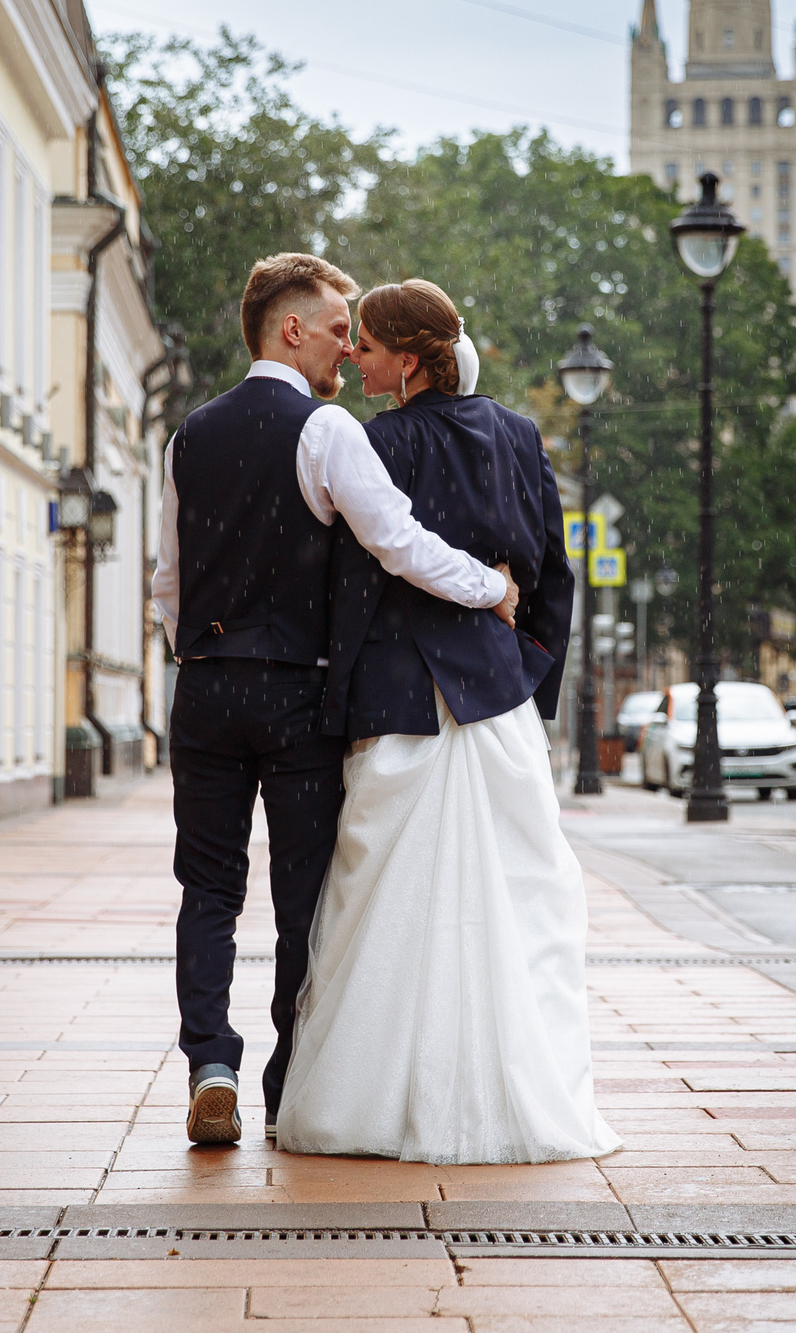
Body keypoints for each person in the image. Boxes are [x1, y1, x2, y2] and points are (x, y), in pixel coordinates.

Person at [149, 254, 520, 1147]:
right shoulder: (326, 432)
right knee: (301, 896)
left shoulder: (187, 436)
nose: (348, 349)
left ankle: (211, 1061)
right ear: (290, 328)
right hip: (294, 696)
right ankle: (287, 1080)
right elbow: (398, 543)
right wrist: (489, 588)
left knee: (206, 886)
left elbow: (166, 581)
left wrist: (198, 650)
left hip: (203, 686)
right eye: (336, 328)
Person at [275, 280, 621, 1164]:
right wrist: (528, 674)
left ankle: (369, 1101)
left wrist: (336, 696)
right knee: (521, 895)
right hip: (495, 697)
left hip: (397, 696)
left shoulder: (373, 442)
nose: (354, 353)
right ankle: (520, 1089)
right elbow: (551, 570)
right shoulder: (514, 433)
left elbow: (352, 586)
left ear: (410, 358)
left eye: (370, 343)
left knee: (380, 898)